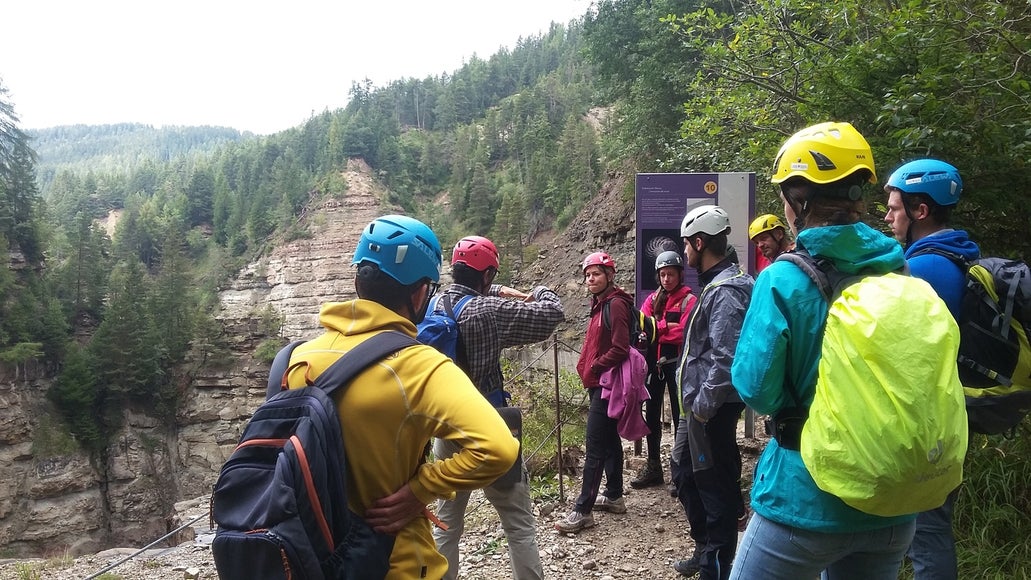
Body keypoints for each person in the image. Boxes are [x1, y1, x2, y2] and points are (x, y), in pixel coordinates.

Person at [729, 122, 919, 579]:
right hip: (891, 502)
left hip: (804, 498)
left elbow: (757, 390)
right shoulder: (900, 271)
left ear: (799, 200)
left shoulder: (782, 279)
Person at [284, 215, 519, 579]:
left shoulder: (299, 358)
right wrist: (421, 490)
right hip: (393, 561)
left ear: (357, 279)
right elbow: (499, 447)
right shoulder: (419, 365)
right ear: (419, 292)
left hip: (310, 553)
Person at [432, 235, 564, 580]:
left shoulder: (432, 305)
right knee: (518, 523)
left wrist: (494, 286)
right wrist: (542, 288)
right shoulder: (489, 311)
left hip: (445, 425)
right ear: (486, 276)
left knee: (446, 523)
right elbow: (551, 314)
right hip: (490, 425)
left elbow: (470, 296)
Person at [884, 158, 979, 580]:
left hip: (927, 421)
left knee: (928, 528)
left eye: (895, 208)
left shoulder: (923, 270)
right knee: (926, 526)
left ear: (921, 211)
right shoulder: (956, 254)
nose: (887, 216)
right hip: (948, 412)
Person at [670, 205, 754, 579]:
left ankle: (714, 567)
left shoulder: (726, 291)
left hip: (712, 411)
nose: (685, 252)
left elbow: (725, 358)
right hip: (701, 410)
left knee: (715, 490)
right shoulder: (718, 285)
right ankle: (705, 548)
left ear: (699, 243)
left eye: (687, 245)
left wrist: (701, 409)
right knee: (686, 474)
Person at [555, 251, 634, 533]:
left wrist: (597, 366)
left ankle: (582, 510)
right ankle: (614, 496)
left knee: (595, 446)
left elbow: (621, 347)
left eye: (596, 274)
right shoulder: (601, 303)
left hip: (606, 384)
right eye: (588, 274)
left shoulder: (615, 306)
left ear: (609, 276)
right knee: (609, 439)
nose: (591, 278)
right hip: (600, 382)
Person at [632, 250, 697, 489]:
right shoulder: (652, 299)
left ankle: (679, 470)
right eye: (663, 274)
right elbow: (642, 327)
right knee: (651, 415)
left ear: (680, 275)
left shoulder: (689, 300)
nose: (666, 278)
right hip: (655, 366)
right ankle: (653, 466)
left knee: (681, 414)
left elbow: (686, 331)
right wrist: (663, 327)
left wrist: (656, 329)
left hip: (677, 365)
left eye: (670, 274)